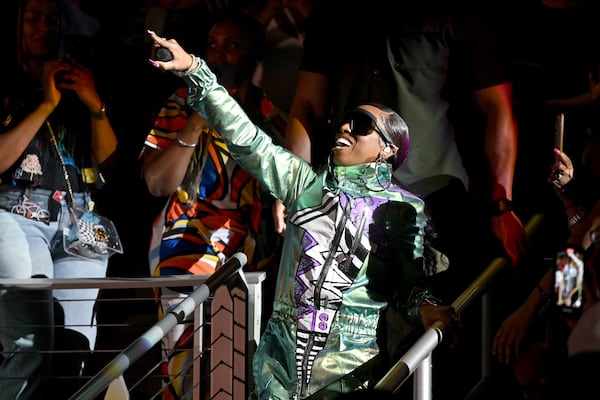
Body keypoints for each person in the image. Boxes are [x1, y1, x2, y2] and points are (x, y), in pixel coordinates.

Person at [147, 30, 459, 400]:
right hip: (277, 372)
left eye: (360, 125)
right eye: (345, 121)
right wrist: (196, 70)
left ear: (388, 149)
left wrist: (425, 306)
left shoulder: (405, 209)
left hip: (349, 373)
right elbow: (247, 137)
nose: (345, 127)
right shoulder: (305, 185)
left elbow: (406, 286)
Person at [272, 1, 528, 398]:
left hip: (436, 204)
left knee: (418, 335)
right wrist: (293, 190)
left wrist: (501, 201)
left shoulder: (454, 14)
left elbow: (498, 108)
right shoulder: (334, 16)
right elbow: (306, 105)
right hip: (347, 204)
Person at [141, 11, 283, 399]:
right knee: (184, 354)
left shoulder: (269, 115)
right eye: (212, 46)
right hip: (186, 239)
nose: (218, 55)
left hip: (247, 251)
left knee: (231, 362)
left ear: (253, 58)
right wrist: (196, 122)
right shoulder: (182, 101)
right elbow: (157, 183)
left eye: (231, 46)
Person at [0, 0, 119, 398]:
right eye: (33, 17)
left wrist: (95, 104)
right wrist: (45, 105)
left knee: (76, 347)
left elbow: (111, 165)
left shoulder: (77, 79)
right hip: (15, 214)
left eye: (52, 19)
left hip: (78, 220)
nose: (43, 28)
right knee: (32, 344)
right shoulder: (7, 81)